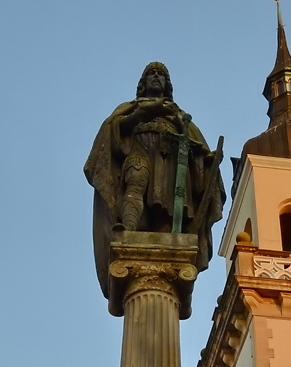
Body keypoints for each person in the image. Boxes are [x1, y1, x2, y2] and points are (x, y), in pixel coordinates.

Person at [85, 62, 225, 297]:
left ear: (167, 84)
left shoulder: (178, 113)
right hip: (139, 150)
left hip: (168, 160)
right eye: (152, 74)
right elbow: (113, 130)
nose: (157, 78)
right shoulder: (130, 108)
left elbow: (194, 143)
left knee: (167, 206)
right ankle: (127, 226)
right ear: (143, 83)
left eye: (161, 75)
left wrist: (206, 156)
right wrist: (141, 115)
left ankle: (165, 231)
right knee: (135, 185)